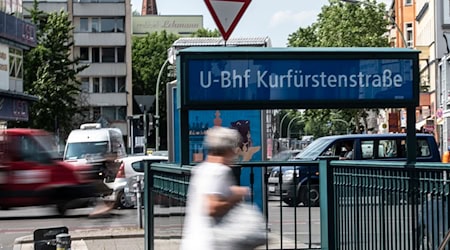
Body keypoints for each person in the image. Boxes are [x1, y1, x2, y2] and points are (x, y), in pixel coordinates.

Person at [180, 126, 250, 250]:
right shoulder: (220, 171)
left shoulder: (201, 169)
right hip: (211, 243)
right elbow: (212, 207)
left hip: (195, 241)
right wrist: (236, 196)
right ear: (228, 149)